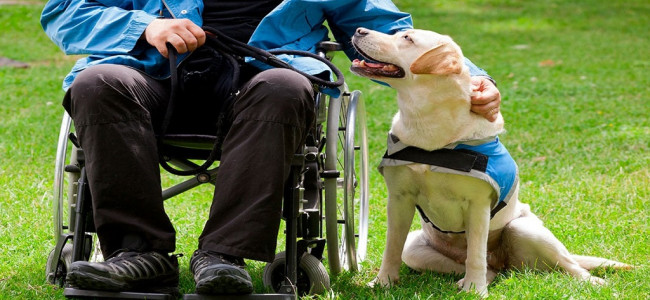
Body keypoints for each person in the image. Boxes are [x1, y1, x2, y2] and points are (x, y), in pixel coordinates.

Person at [41, 0, 501, 296]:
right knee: (97, 82)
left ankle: (223, 255)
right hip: (156, 77)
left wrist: (474, 82)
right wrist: (144, 27)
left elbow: (389, 29)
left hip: (262, 81)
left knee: (285, 85)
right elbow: (64, 11)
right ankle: (138, 253)